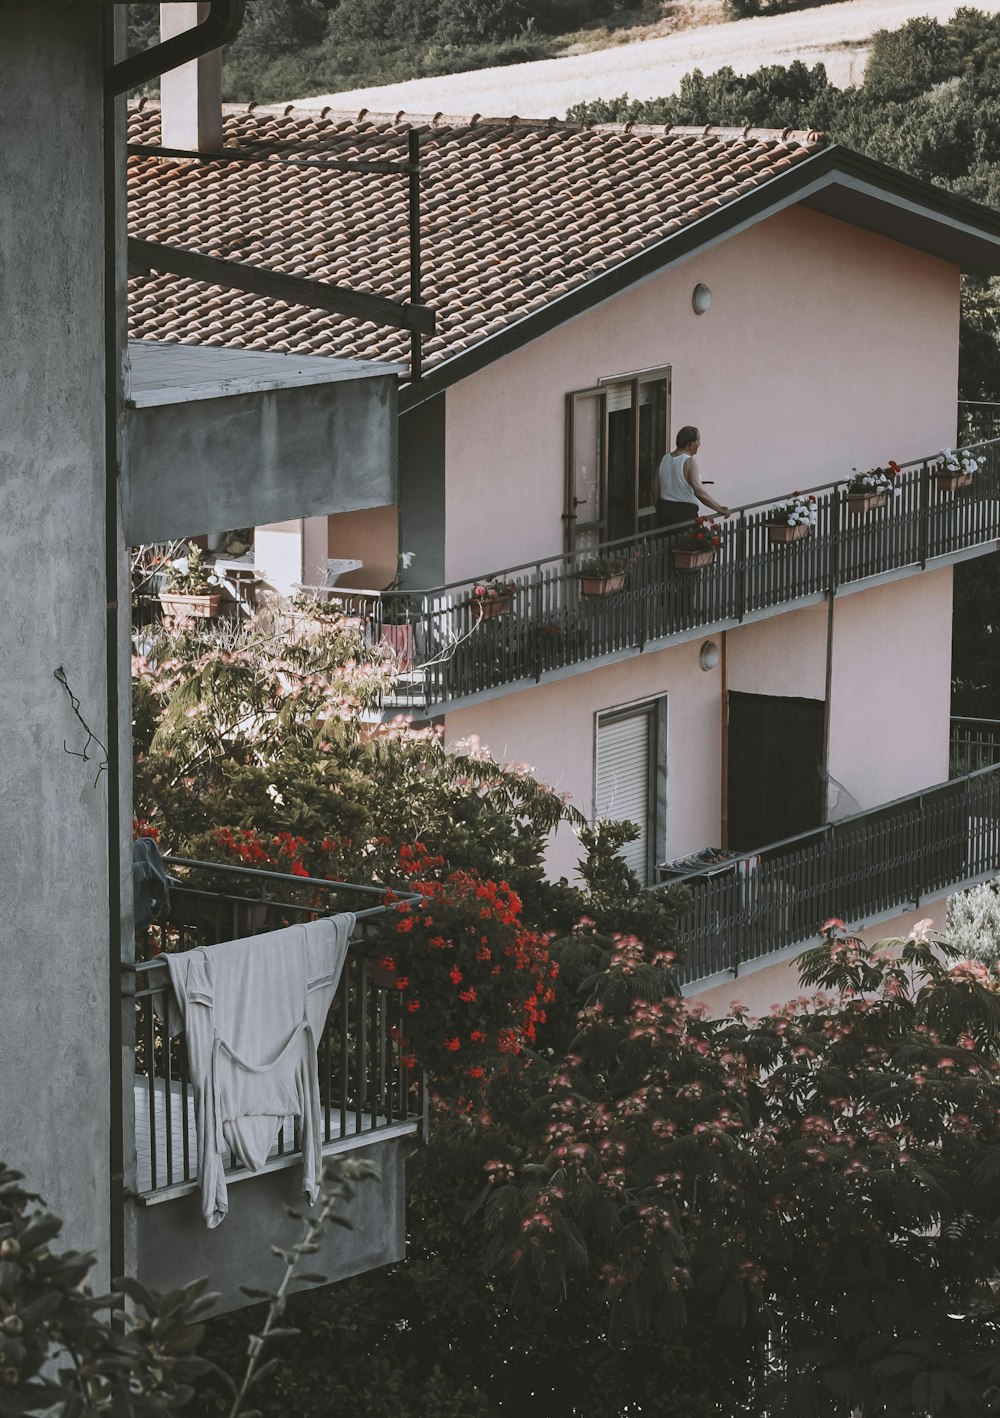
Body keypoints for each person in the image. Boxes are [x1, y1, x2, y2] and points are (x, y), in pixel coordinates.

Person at [655, 426, 730, 533]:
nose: (700, 443)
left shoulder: (663, 459)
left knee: (665, 547)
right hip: (684, 514)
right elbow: (699, 491)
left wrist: (659, 509)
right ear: (690, 444)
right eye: (698, 440)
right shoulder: (689, 461)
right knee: (686, 547)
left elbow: (654, 489)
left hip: (664, 511)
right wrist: (720, 508)